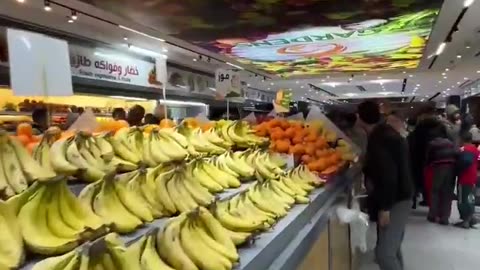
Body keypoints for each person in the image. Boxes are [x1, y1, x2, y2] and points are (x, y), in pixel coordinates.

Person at [359, 101, 413, 270]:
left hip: (395, 199)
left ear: (361, 119)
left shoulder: (380, 138)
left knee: (384, 254)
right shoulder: (385, 134)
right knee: (393, 249)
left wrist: (385, 207)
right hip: (401, 196)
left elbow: (388, 175)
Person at [409, 106, 443, 208]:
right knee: (435, 182)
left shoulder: (419, 128)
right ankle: (432, 202)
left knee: (417, 179)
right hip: (437, 157)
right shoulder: (440, 127)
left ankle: (415, 198)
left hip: (419, 157)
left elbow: (414, 144)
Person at [424, 124, 457, 225]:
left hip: (438, 168)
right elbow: (456, 154)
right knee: (447, 193)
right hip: (451, 168)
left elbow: (428, 158)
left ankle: (433, 215)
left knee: (435, 191)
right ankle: (445, 217)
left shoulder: (432, 144)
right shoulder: (451, 143)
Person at [455, 131, 479, 228]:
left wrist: (457, 169)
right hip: (473, 177)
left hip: (465, 178)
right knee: (470, 199)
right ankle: (470, 218)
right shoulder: (476, 150)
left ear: (462, 139)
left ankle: (466, 220)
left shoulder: (464, 149)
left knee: (462, 199)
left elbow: (466, 161)